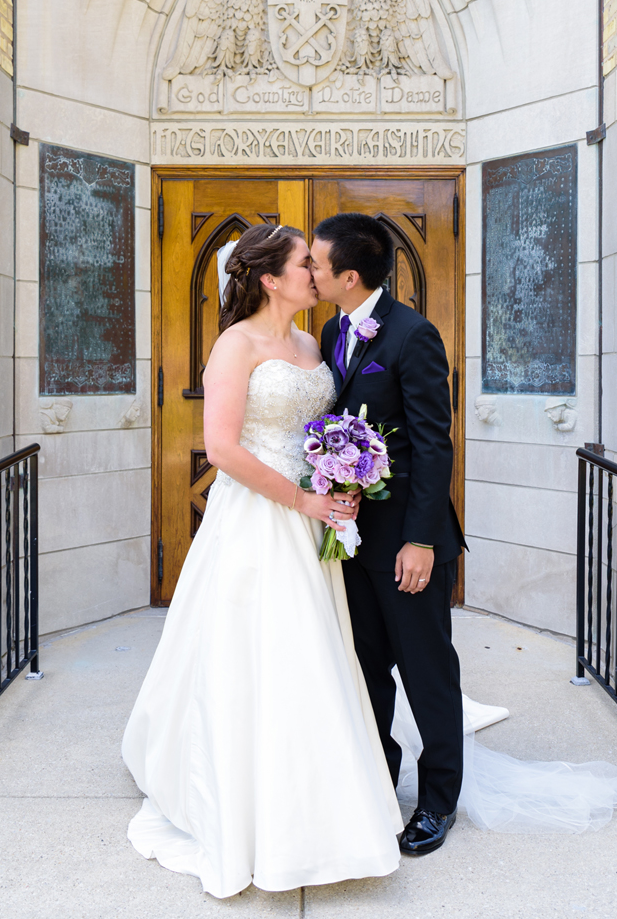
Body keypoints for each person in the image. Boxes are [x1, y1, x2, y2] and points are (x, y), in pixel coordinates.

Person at [121, 224, 403, 896]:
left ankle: (321, 795)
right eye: (306, 262)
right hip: (258, 516)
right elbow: (221, 449)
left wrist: (342, 472)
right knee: (261, 652)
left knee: (314, 653)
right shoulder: (234, 345)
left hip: (313, 517)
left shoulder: (313, 342)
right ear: (271, 278)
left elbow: (320, 426)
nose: (318, 271)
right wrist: (301, 501)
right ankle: (252, 805)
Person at [309, 213, 466, 857]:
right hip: (351, 538)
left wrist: (422, 540)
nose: (309, 272)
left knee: (427, 672)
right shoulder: (330, 330)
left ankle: (437, 802)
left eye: (316, 264)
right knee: (367, 668)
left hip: (407, 542)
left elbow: (433, 445)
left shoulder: (413, 335)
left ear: (349, 275)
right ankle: (378, 781)